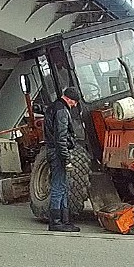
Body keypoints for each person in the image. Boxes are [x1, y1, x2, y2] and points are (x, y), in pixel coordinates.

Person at [44, 87, 81, 232]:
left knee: (63, 186)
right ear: (70, 99)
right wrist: (66, 158)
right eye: (75, 102)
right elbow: (61, 137)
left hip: (54, 151)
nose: (75, 105)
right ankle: (56, 222)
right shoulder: (62, 111)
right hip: (58, 152)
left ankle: (64, 221)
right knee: (59, 186)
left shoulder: (53, 107)